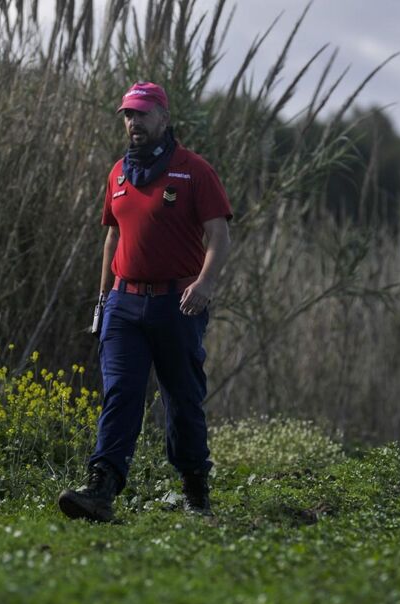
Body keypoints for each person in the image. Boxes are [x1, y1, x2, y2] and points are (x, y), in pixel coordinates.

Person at [58, 81, 232, 522]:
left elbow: (219, 235)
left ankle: (195, 490)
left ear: (164, 118)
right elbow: (112, 237)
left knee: (182, 398)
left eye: (142, 113)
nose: (134, 122)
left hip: (179, 304)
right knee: (121, 393)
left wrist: (206, 284)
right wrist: (103, 301)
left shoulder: (194, 170)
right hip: (123, 304)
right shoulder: (118, 173)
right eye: (128, 115)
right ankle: (101, 488)